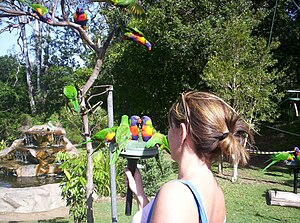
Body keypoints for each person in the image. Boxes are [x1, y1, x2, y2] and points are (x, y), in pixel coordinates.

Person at [124, 91, 253, 223]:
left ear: (182, 132)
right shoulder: (216, 192)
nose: (167, 134)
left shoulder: (175, 195)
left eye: (170, 127)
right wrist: (140, 195)